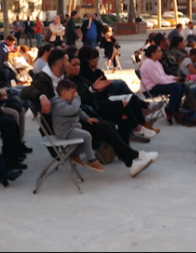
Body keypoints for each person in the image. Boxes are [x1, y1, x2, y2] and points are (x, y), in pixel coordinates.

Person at [21, 49, 159, 176]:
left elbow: (76, 95)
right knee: (104, 126)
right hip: (62, 126)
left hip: (74, 118)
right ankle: (135, 157)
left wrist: (92, 89)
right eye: (67, 61)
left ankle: (132, 162)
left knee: (107, 124)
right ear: (59, 63)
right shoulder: (43, 78)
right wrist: (41, 96)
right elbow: (24, 91)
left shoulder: (62, 78)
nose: (68, 64)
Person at [71, 53, 158, 142]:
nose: (77, 67)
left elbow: (102, 80)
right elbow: (83, 95)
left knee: (131, 110)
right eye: (74, 65)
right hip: (93, 106)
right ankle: (138, 127)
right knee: (125, 102)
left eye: (78, 65)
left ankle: (131, 144)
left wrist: (96, 76)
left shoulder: (80, 77)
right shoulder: (73, 79)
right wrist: (93, 89)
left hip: (99, 100)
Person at [51, 80, 106, 172]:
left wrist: (87, 118)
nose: (74, 95)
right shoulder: (58, 105)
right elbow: (73, 109)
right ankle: (91, 160)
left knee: (88, 135)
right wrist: (77, 99)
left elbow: (78, 111)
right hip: (65, 131)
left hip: (72, 128)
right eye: (72, 93)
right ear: (64, 93)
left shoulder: (67, 101)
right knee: (86, 135)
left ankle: (74, 154)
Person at [140, 45, 185, 125]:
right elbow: (158, 80)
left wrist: (174, 78)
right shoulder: (149, 64)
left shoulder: (156, 62)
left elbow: (163, 76)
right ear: (153, 53)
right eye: (159, 51)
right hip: (151, 88)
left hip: (157, 84)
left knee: (181, 85)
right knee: (176, 87)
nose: (161, 53)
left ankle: (175, 109)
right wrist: (173, 81)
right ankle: (169, 110)